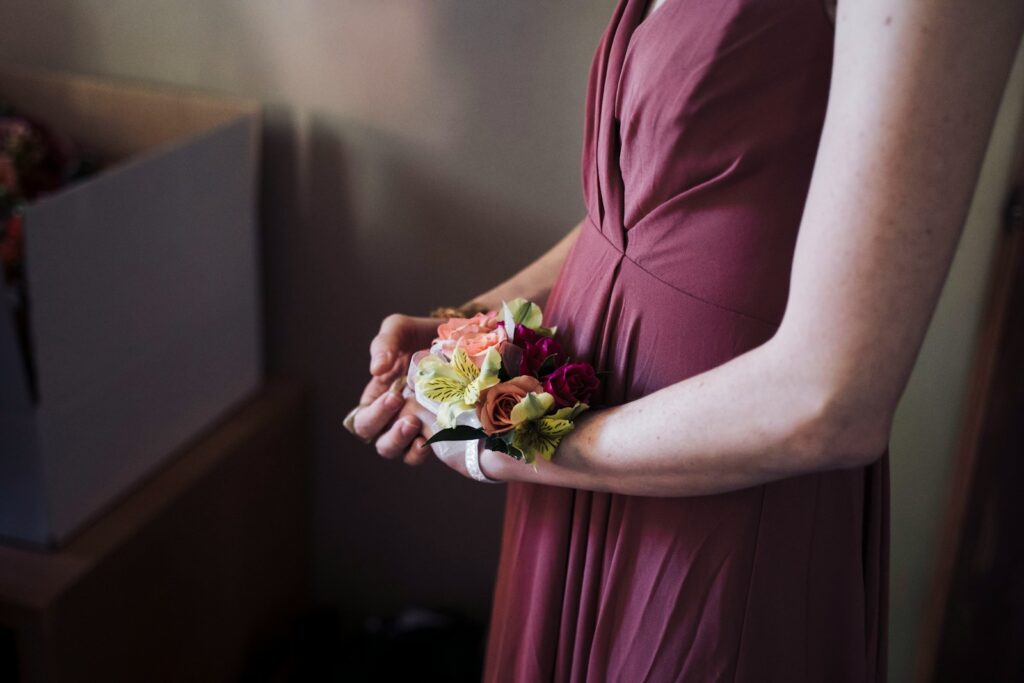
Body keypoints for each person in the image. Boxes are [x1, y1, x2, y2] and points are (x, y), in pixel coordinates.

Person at [345, 0, 1024, 679]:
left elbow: (834, 403)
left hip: (718, 501)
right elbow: (651, 207)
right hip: (572, 465)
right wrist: (478, 322)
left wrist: (511, 448)